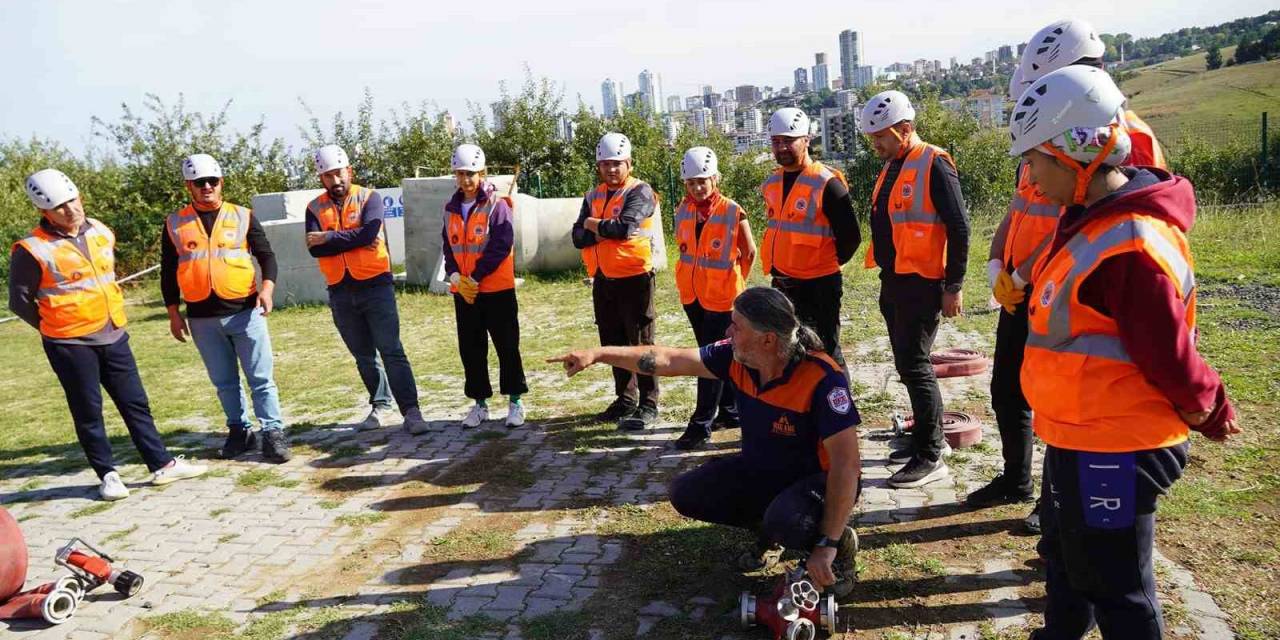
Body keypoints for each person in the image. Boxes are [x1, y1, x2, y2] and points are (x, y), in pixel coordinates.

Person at [1008, 65, 1240, 640]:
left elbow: (1168, 352)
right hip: (1075, 430)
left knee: (1118, 588)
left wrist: (1210, 407)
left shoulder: (1130, 244)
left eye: (1036, 162)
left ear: (1078, 155)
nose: (1031, 179)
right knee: (1065, 557)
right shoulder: (1089, 220)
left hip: (1116, 441)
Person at [972, 18, 1169, 533]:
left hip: (1073, 292)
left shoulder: (1123, 137)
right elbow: (1021, 209)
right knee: (1009, 388)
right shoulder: (1048, 129)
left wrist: (1030, 272)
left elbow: (1100, 229)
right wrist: (1000, 264)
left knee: (1065, 402)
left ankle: (1056, 502)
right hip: (1025, 289)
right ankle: (1020, 480)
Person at [549, 287, 861, 596]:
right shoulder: (737, 356)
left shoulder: (821, 378)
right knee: (688, 493)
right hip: (765, 471)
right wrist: (598, 354)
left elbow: (847, 466)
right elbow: (667, 359)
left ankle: (838, 544)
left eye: (737, 326)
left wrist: (828, 542)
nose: (728, 331)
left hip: (821, 481)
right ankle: (769, 531)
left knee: (788, 520)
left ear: (767, 339)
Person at [9, 169, 206, 500]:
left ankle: (161, 465)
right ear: (44, 211)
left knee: (135, 403)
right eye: (60, 207)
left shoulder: (100, 230)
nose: (71, 210)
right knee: (88, 411)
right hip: (70, 344)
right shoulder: (31, 249)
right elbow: (20, 301)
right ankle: (109, 475)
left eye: (73, 201)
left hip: (113, 333)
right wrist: (54, 328)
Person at [860, 90, 970, 489]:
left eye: (882, 137)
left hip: (922, 283)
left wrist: (953, 285)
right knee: (907, 366)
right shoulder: (894, 163)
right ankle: (923, 438)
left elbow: (959, 227)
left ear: (905, 129)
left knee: (918, 367)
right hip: (895, 280)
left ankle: (931, 454)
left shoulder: (933, 162)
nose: (876, 145)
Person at [162, 154, 291, 463]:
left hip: (245, 312)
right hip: (202, 318)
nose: (207, 187)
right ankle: (240, 431)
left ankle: (272, 433)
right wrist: (173, 312)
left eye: (212, 181)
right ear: (188, 186)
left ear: (221, 183)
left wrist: (268, 289)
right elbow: (168, 271)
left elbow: (267, 256)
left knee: (260, 378)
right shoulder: (175, 222)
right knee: (224, 382)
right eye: (199, 182)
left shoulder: (243, 215)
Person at [305, 144, 429, 434]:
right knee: (363, 355)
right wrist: (351, 238)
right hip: (339, 290)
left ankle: (411, 411)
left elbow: (370, 233)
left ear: (349, 171)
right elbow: (315, 250)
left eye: (339, 174)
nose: (335, 181)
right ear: (321, 178)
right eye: (327, 176)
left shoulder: (369, 198)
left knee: (391, 349)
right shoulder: (314, 207)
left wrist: (330, 238)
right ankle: (380, 404)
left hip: (375, 285)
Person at [571, 133, 660, 431]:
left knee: (641, 344)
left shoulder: (640, 191)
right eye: (605, 164)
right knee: (612, 343)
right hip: (603, 280)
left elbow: (623, 229)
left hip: (635, 279)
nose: (611, 169)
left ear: (629, 163)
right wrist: (600, 229)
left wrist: (592, 225)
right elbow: (576, 237)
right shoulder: (593, 195)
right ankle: (625, 399)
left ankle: (649, 402)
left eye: (617, 164)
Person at [759, 108, 860, 371]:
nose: (781, 147)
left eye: (788, 141)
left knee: (825, 351)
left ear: (806, 140)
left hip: (819, 285)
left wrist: (823, 264)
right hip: (783, 282)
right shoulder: (772, 183)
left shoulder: (826, 182)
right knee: (790, 351)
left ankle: (840, 408)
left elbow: (851, 237)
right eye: (776, 141)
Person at [670, 146, 756, 449]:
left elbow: (749, 252)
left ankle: (700, 424)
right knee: (721, 356)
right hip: (693, 295)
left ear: (715, 178)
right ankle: (730, 412)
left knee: (708, 361)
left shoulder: (733, 210)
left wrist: (734, 282)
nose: (696, 187)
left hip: (722, 298)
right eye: (691, 182)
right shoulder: (683, 209)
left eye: (702, 181)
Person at [441, 144, 529, 428]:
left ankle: (515, 402)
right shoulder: (450, 208)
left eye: (471, 174)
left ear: (482, 173)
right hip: (465, 294)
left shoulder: (496, 205)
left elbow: (502, 245)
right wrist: (454, 275)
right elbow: (448, 245)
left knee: (507, 347)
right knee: (471, 349)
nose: (466, 180)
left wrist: (475, 277)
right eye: (461, 173)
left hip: (496, 290)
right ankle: (479, 404)